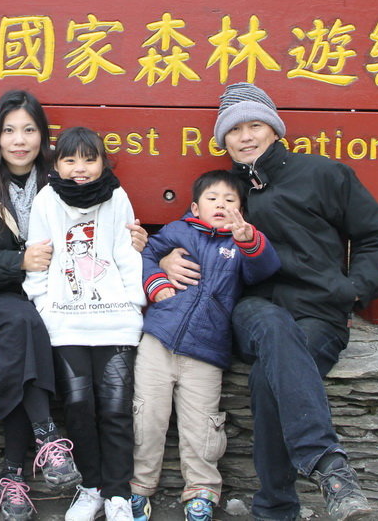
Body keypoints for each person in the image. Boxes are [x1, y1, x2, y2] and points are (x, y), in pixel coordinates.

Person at [159, 83, 378, 521]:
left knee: (268, 378)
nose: (245, 137)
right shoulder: (229, 191)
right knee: (270, 325)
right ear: (224, 141)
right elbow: (189, 231)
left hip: (319, 312)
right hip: (253, 309)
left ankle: (275, 508)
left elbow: (376, 234)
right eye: (234, 131)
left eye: (254, 126)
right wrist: (164, 258)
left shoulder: (324, 174)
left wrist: (355, 290)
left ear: (274, 130)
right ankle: (329, 466)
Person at [130, 170, 280, 521]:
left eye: (230, 200)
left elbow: (264, 269)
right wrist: (156, 282)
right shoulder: (178, 231)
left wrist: (249, 241)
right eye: (212, 199)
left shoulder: (240, 243)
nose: (221, 205)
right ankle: (138, 487)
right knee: (146, 417)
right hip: (158, 338)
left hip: (207, 348)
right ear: (196, 207)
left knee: (203, 427)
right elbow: (145, 255)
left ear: (241, 209)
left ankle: (201, 490)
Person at [22, 127, 145, 521]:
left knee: (116, 409)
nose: (80, 168)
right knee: (77, 407)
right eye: (70, 159)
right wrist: (44, 307)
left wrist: (134, 306)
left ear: (103, 163)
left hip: (115, 321)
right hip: (66, 324)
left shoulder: (117, 197)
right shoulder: (46, 200)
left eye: (90, 159)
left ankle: (118, 494)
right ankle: (91, 488)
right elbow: (38, 258)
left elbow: (127, 254)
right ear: (56, 164)